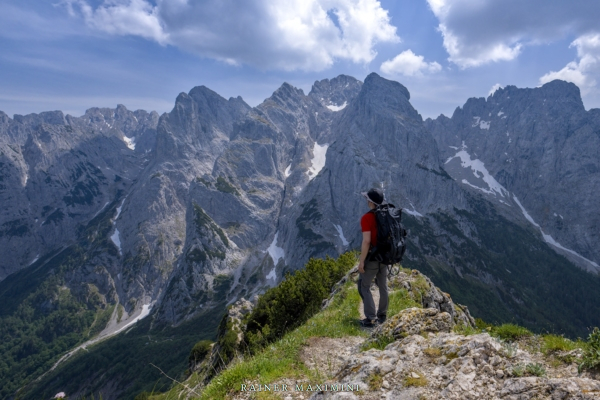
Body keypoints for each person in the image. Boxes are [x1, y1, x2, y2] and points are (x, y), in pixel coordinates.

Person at [358, 188, 389, 327]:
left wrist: (362, 261)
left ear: (371, 202)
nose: (366, 201)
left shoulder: (367, 218)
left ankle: (371, 318)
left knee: (363, 286)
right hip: (386, 256)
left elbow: (366, 241)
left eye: (367, 199)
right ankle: (382, 315)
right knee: (383, 286)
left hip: (373, 257)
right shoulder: (387, 214)